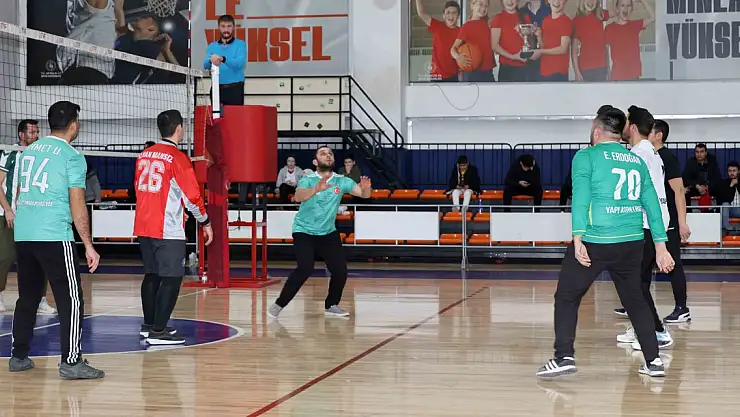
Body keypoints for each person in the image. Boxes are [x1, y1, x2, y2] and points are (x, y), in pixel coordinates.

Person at [536, 107, 674, 379]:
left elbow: (581, 198)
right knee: (635, 299)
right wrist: (661, 246)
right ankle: (653, 361)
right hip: (631, 242)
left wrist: (577, 238)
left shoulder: (586, 156)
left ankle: (563, 357)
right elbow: (653, 206)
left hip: (595, 241)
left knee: (567, 296)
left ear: (597, 131)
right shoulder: (636, 160)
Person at [9, 101, 104, 379]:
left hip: (25, 233)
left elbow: (19, 194)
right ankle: (71, 362)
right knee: (71, 298)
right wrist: (88, 245)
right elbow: (77, 203)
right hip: (53, 235)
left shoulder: (27, 151)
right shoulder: (72, 156)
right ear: (74, 125)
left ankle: (19, 356)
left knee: (28, 296)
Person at [134, 110, 214, 345]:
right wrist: (205, 222)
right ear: (179, 129)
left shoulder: (144, 155)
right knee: (172, 278)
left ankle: (149, 326)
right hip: (166, 228)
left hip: (143, 224)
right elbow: (192, 197)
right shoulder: (177, 158)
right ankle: (159, 331)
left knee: (152, 274)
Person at [267, 146, 372, 319]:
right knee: (305, 268)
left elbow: (364, 195)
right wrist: (316, 189)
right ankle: (279, 304)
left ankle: (331, 305)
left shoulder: (342, 181)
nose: (328, 155)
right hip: (304, 230)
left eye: (330, 153)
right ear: (315, 161)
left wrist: (366, 188)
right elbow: (298, 197)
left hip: (328, 232)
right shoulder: (308, 179)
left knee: (340, 270)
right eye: (323, 153)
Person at [615, 119, 692, 323]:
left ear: (659, 135)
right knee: (645, 265)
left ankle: (682, 307)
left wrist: (682, 221)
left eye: (650, 132)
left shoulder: (666, 157)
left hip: (668, 219)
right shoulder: (648, 155)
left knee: (672, 262)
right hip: (652, 219)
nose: (646, 135)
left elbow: (679, 191)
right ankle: (637, 303)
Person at [612, 106, 673, 350]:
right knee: (640, 281)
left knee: (635, 284)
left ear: (633, 126)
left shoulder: (638, 154)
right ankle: (643, 328)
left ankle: (656, 331)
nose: (623, 126)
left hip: (646, 224)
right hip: (652, 223)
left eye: (626, 121)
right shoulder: (649, 152)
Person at [0, 119, 57, 315]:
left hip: (31, 215)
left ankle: (39, 299)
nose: (36, 135)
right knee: (6, 257)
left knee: (39, 257)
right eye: (32, 132)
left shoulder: (39, 154)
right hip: (7, 214)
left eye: (37, 132)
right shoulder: (10, 153)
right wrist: (8, 209)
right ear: (21, 134)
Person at [203, 14, 247, 106]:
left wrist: (223, 59)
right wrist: (211, 61)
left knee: (235, 115)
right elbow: (206, 65)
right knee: (216, 115)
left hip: (235, 90)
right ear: (219, 27)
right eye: (223, 26)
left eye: (229, 26)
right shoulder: (212, 46)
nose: (226, 29)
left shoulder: (240, 44)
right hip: (216, 89)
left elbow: (239, 63)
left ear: (233, 27)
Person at [415, 0, 460, 82]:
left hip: (453, 75)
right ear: (443, 15)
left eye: (454, 13)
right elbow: (421, 13)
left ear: (458, 16)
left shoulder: (461, 32)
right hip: (436, 75)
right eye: (448, 12)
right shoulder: (438, 26)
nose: (451, 15)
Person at [451, 0, 496, 82]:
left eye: (486, 6)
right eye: (481, 4)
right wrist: (458, 57)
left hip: (488, 71)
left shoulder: (487, 24)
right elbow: (453, 49)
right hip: (472, 72)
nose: (483, 8)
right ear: (472, 6)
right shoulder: (466, 27)